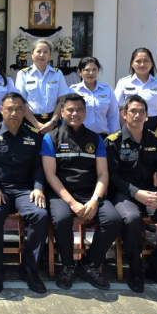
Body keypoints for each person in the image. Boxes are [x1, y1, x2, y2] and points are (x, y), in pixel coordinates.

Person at [105, 95, 157, 294]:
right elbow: (112, 176)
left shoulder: (156, 140)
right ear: (124, 114)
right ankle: (136, 272)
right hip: (124, 193)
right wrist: (136, 193)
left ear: (147, 115)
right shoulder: (113, 141)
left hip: (151, 192)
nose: (137, 115)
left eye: (141, 111)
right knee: (132, 219)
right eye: (133, 111)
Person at [41, 94, 121, 290]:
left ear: (85, 112)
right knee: (61, 219)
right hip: (61, 194)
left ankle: (89, 265)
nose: (74, 114)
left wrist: (95, 200)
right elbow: (50, 175)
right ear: (62, 112)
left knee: (113, 219)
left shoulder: (96, 139)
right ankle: (68, 266)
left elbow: (103, 174)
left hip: (90, 193)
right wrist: (72, 203)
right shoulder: (51, 138)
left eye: (79, 110)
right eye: (70, 110)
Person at [0, 93, 48, 294]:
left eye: (19, 109)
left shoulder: (33, 135)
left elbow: (39, 166)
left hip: (24, 190)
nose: (14, 113)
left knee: (40, 215)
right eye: (9, 109)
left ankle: (29, 268)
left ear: (25, 111)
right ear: (1, 110)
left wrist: (38, 187)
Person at [114, 47, 157, 133]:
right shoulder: (123, 83)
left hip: (153, 126)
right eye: (138, 61)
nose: (142, 64)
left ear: (152, 63)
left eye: (146, 61)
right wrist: (126, 131)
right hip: (130, 125)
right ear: (132, 64)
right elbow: (118, 109)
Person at [15, 39, 66, 135]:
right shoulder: (23, 74)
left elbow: (62, 100)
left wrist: (53, 122)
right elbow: (20, 102)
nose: (42, 55)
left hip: (53, 122)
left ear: (49, 55)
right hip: (29, 122)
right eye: (38, 51)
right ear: (32, 54)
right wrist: (36, 123)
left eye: (46, 52)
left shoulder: (57, 74)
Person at [69, 56, 120, 138]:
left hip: (102, 137)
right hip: (79, 137)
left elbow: (113, 115)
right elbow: (67, 116)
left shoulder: (107, 90)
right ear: (80, 72)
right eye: (87, 70)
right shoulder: (73, 90)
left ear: (98, 71)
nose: (91, 73)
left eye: (94, 70)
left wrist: (115, 136)